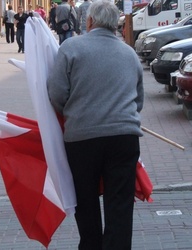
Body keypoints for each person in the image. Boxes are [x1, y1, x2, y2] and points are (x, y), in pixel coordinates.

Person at [46, 1, 144, 249]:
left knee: (85, 200)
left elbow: (56, 93)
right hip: (124, 137)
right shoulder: (129, 54)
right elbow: (139, 100)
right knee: (120, 203)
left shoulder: (71, 47)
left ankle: (90, 245)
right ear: (115, 24)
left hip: (82, 138)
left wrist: (74, 113)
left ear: (89, 21)